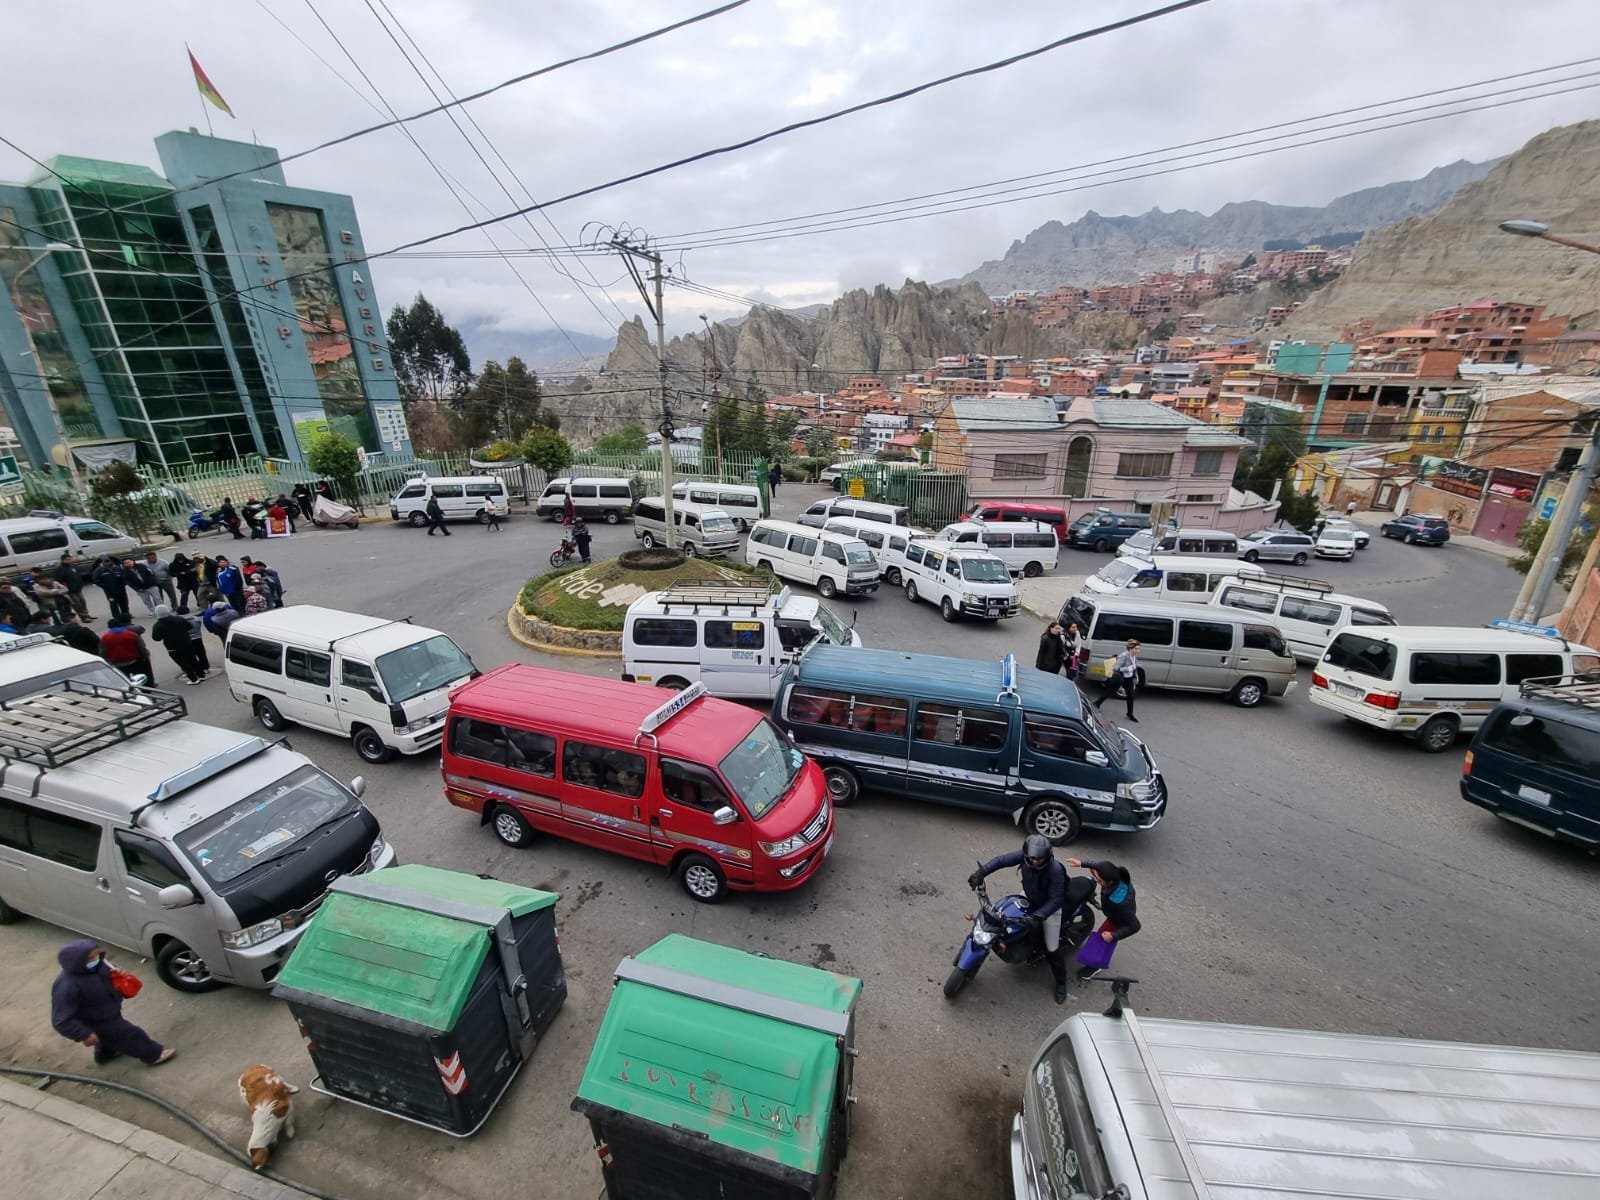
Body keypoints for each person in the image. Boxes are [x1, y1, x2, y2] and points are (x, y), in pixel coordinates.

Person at [969, 835, 1091, 1005]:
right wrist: (980, 873)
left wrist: (1037, 916)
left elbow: (1056, 899)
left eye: (1039, 859)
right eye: (1031, 858)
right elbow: (1000, 860)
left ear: (1047, 856)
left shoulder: (1055, 870)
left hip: (1049, 908)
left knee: (1052, 948)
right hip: (1029, 896)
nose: (1034, 862)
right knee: (1003, 914)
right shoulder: (1025, 856)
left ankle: (1061, 983)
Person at [51, 940, 175, 1067]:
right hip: (96, 1020)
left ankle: (105, 1054)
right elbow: (61, 1020)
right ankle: (153, 1055)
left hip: (108, 1011)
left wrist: (117, 976)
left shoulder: (99, 966)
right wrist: (83, 1034)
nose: (96, 959)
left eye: (97, 955)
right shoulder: (66, 987)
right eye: (91, 958)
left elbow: (108, 977)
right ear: (78, 962)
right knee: (129, 1034)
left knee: (107, 1037)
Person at [1065, 858, 1141, 980]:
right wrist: (1083, 863)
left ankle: (1094, 966)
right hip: (1114, 913)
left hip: (1118, 920)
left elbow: (1135, 925)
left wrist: (1114, 935)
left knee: (1102, 941)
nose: (1097, 880)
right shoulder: (1116, 875)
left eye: (1099, 880)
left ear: (1109, 882)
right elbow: (1100, 866)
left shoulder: (1120, 903)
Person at [151, 604, 205, 685]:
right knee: (193, 659)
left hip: (173, 647)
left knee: (183, 663)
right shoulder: (178, 619)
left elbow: (156, 638)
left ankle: (193, 679)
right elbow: (189, 626)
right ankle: (201, 675)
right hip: (187, 643)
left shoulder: (157, 626)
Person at [1094, 638, 1141, 722]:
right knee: (1110, 691)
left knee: (1131, 696)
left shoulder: (1133, 656)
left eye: (1138, 649)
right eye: (1136, 649)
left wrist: (1136, 676)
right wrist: (1128, 668)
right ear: (1130, 648)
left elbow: (1134, 668)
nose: (1138, 651)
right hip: (1121, 678)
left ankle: (1130, 714)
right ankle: (1097, 703)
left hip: (1129, 679)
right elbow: (1116, 668)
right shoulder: (1124, 656)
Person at [101, 617, 153, 683]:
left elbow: (102, 652)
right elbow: (141, 647)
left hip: (117, 664)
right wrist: (145, 656)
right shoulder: (131, 634)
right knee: (140, 677)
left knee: (124, 681)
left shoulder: (105, 637)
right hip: (133, 661)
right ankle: (147, 687)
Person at [91, 557, 132, 625]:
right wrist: (105, 586)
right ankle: (117, 618)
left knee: (124, 603)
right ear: (102, 562)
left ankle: (126, 616)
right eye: (105, 561)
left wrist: (124, 583)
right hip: (109, 591)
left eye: (108, 561)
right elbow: (96, 580)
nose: (107, 563)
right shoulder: (99, 570)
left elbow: (124, 576)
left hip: (121, 589)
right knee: (114, 605)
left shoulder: (117, 568)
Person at [52, 553, 92, 620]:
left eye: (70, 559)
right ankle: (83, 617)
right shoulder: (59, 569)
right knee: (77, 604)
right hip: (69, 590)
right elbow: (58, 580)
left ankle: (86, 614)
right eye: (67, 560)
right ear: (62, 560)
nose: (70, 561)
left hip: (77, 588)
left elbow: (78, 575)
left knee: (83, 601)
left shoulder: (72, 566)